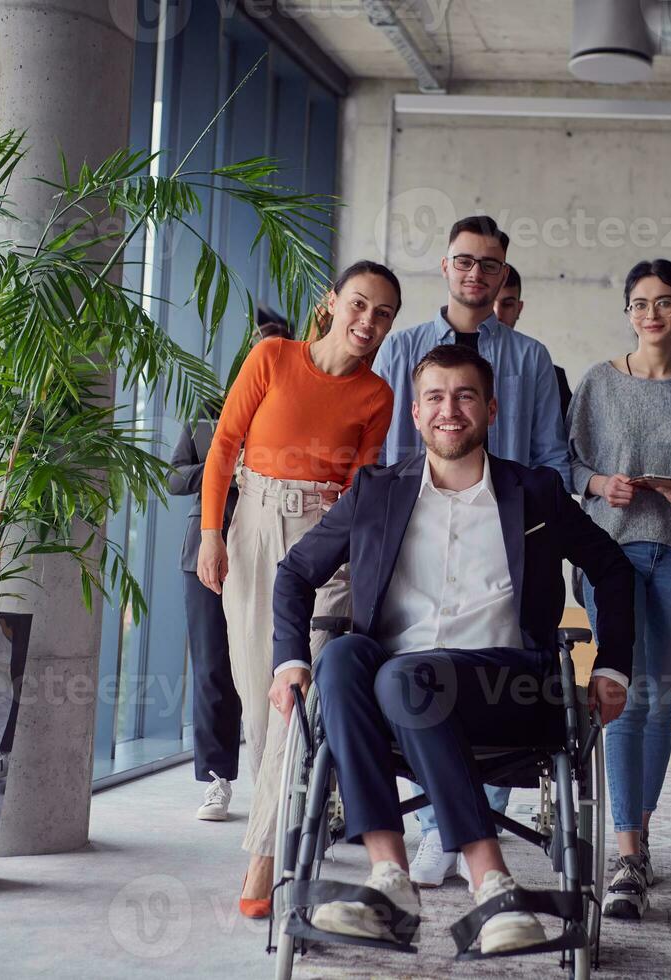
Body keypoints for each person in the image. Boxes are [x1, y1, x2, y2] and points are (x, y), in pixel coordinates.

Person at [268, 344, 634, 952]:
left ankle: (491, 881)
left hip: (506, 687)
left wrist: (613, 666)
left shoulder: (535, 492)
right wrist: (290, 661)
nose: (450, 410)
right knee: (343, 659)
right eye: (435, 397)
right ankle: (390, 879)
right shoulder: (377, 491)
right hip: (394, 692)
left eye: (465, 396)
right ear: (416, 414)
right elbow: (294, 572)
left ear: (490, 408)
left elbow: (613, 569)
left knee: (402, 677)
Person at [197, 260, 401, 919]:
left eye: (383, 314)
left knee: (294, 699)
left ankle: (264, 861)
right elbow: (225, 444)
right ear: (332, 302)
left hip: (325, 546)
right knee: (259, 707)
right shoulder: (273, 357)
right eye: (360, 305)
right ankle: (289, 816)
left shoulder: (378, 396)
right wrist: (210, 533)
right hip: (252, 527)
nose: (368, 322)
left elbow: (364, 497)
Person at [371, 216, 571, 887]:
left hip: (503, 538)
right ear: (447, 268)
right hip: (417, 537)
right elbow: (379, 452)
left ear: (502, 276)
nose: (477, 275)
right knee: (414, 653)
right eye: (465, 261)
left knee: (494, 645)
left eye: (491, 265)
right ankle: (440, 830)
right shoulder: (400, 352)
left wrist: (530, 518)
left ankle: (463, 826)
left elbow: (550, 456)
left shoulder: (531, 359)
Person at [568, 258, 671, 920]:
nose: (650, 313)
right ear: (627, 312)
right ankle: (626, 854)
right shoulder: (599, 383)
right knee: (623, 694)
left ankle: (640, 834)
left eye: (664, 302)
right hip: (613, 549)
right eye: (639, 303)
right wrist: (603, 485)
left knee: (660, 699)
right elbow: (566, 462)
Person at [170, 317, 292, 822]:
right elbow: (176, 477)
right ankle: (217, 780)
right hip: (206, 549)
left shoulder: (291, 412)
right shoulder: (206, 408)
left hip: (273, 548)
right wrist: (230, 465)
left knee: (271, 665)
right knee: (213, 668)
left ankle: (280, 776)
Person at [495, 264, 571, 422]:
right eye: (490, 303)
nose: (497, 314)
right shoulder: (447, 367)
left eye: (507, 304)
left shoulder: (552, 377)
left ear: (519, 309)